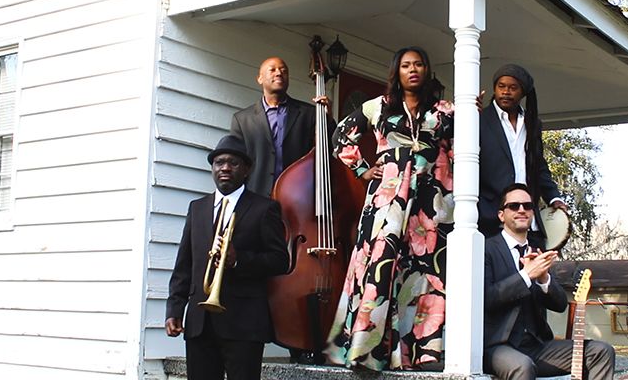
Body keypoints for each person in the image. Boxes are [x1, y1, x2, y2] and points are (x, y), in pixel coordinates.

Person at [324, 46, 454, 371]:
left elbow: (459, 147)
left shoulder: (443, 111)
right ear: (397, 72)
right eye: (406, 65)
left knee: (424, 270)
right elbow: (340, 136)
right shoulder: (377, 106)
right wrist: (362, 169)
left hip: (428, 202)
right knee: (382, 265)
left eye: (419, 64)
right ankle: (367, 350)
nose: (413, 70)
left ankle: (420, 352)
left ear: (427, 70)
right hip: (387, 199)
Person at [165, 135, 289, 380]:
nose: (225, 168)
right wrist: (175, 308)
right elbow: (184, 264)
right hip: (200, 322)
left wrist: (239, 259)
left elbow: (280, 260)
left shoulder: (265, 208)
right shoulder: (197, 208)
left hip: (244, 322)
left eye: (233, 163)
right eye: (219, 162)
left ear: (246, 170)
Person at [483, 183, 615, 380]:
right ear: (501, 215)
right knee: (523, 367)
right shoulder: (486, 249)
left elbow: (560, 305)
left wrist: (544, 279)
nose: (522, 210)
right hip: (498, 346)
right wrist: (526, 275)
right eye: (514, 206)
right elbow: (487, 298)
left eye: (528, 206)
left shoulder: (538, 252)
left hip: (537, 346)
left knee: (601, 351)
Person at [478, 64, 568, 246]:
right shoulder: (480, 119)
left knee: (535, 263)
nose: (506, 92)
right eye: (501, 86)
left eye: (513, 88)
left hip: (527, 219)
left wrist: (554, 198)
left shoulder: (531, 123)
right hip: (491, 218)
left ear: (523, 92)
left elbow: (539, 166)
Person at [229, 56, 333, 197]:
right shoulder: (242, 119)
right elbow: (235, 163)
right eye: (272, 70)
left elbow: (327, 150)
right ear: (260, 79)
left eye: (283, 71)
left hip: (297, 197)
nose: (279, 73)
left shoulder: (309, 113)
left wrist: (327, 119)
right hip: (255, 197)